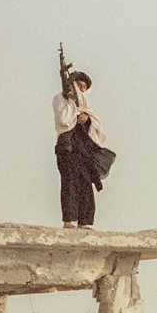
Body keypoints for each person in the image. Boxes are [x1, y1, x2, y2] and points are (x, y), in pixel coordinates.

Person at [52, 70, 115, 228]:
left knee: (86, 184)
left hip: (84, 150)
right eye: (78, 85)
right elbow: (63, 119)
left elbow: (96, 127)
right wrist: (73, 106)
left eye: (83, 87)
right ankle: (69, 221)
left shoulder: (85, 106)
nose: (80, 89)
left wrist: (86, 117)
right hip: (67, 148)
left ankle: (85, 223)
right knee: (69, 183)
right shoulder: (60, 99)